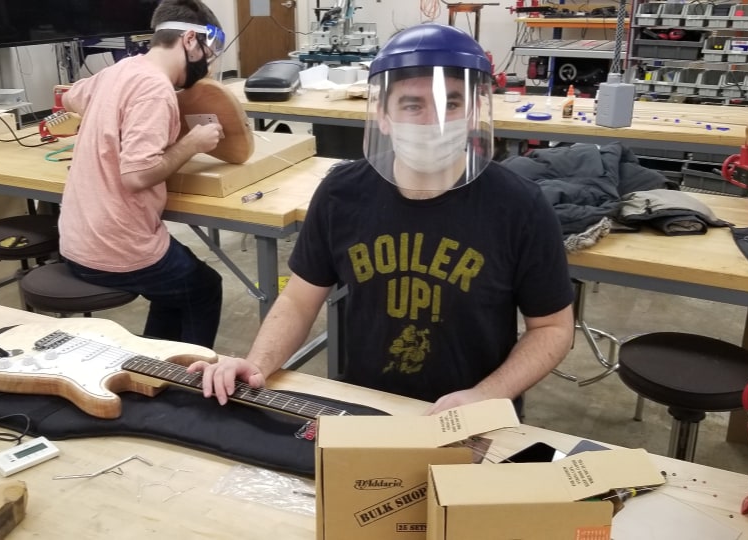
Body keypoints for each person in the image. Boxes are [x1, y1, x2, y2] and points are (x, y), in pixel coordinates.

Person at [191, 23, 575, 413]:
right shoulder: (343, 193)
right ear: (385, 116)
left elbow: (553, 328)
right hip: (365, 405)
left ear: (475, 112)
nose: (433, 121)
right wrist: (256, 363)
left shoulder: (519, 207)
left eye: (452, 104)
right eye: (412, 105)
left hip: (475, 412)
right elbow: (299, 301)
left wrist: (488, 394)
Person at [58, 0, 226, 348]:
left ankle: (152, 368)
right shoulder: (155, 88)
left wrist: (110, 122)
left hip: (76, 239)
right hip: (115, 248)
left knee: (175, 288)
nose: (209, 63)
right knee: (204, 288)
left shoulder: (120, 70)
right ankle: (187, 386)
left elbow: (72, 97)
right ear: (190, 40)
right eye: (210, 51)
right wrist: (192, 143)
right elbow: (137, 175)